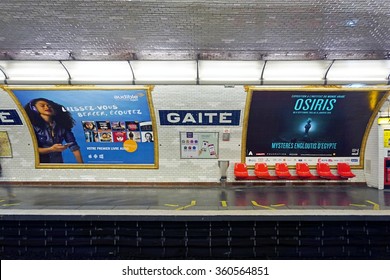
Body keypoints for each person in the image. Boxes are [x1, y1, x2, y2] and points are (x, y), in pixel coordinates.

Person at [24, 98, 83, 164]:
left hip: (57, 164)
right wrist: (51, 149)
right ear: (34, 109)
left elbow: (73, 145)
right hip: (39, 165)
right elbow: (29, 149)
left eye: (49, 105)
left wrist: (81, 165)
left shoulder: (62, 126)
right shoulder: (31, 127)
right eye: (42, 105)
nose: (47, 107)